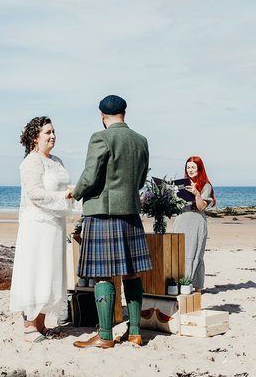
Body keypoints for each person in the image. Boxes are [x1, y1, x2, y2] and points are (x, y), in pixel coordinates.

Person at [69, 95, 151, 349]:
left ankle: (105, 336)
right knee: (131, 273)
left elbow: (91, 175)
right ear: (124, 114)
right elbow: (139, 181)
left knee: (102, 276)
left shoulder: (100, 137)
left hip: (102, 212)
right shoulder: (141, 141)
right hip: (130, 212)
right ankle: (135, 332)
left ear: (103, 116)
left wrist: (76, 191)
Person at [10, 116, 76, 342]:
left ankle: (41, 323)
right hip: (37, 225)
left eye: (53, 131)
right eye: (47, 132)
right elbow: (34, 193)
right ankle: (29, 325)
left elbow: (64, 187)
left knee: (51, 272)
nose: (53, 136)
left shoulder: (57, 161)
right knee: (36, 271)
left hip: (55, 224)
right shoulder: (31, 162)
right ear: (34, 138)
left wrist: (73, 192)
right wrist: (63, 195)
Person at [172, 156, 216, 292]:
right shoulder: (181, 184)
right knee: (178, 252)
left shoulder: (206, 185)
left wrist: (197, 193)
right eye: (188, 167)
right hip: (181, 220)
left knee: (195, 253)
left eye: (193, 167)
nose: (190, 170)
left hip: (196, 220)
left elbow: (202, 206)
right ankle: (178, 284)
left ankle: (196, 288)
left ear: (199, 168)